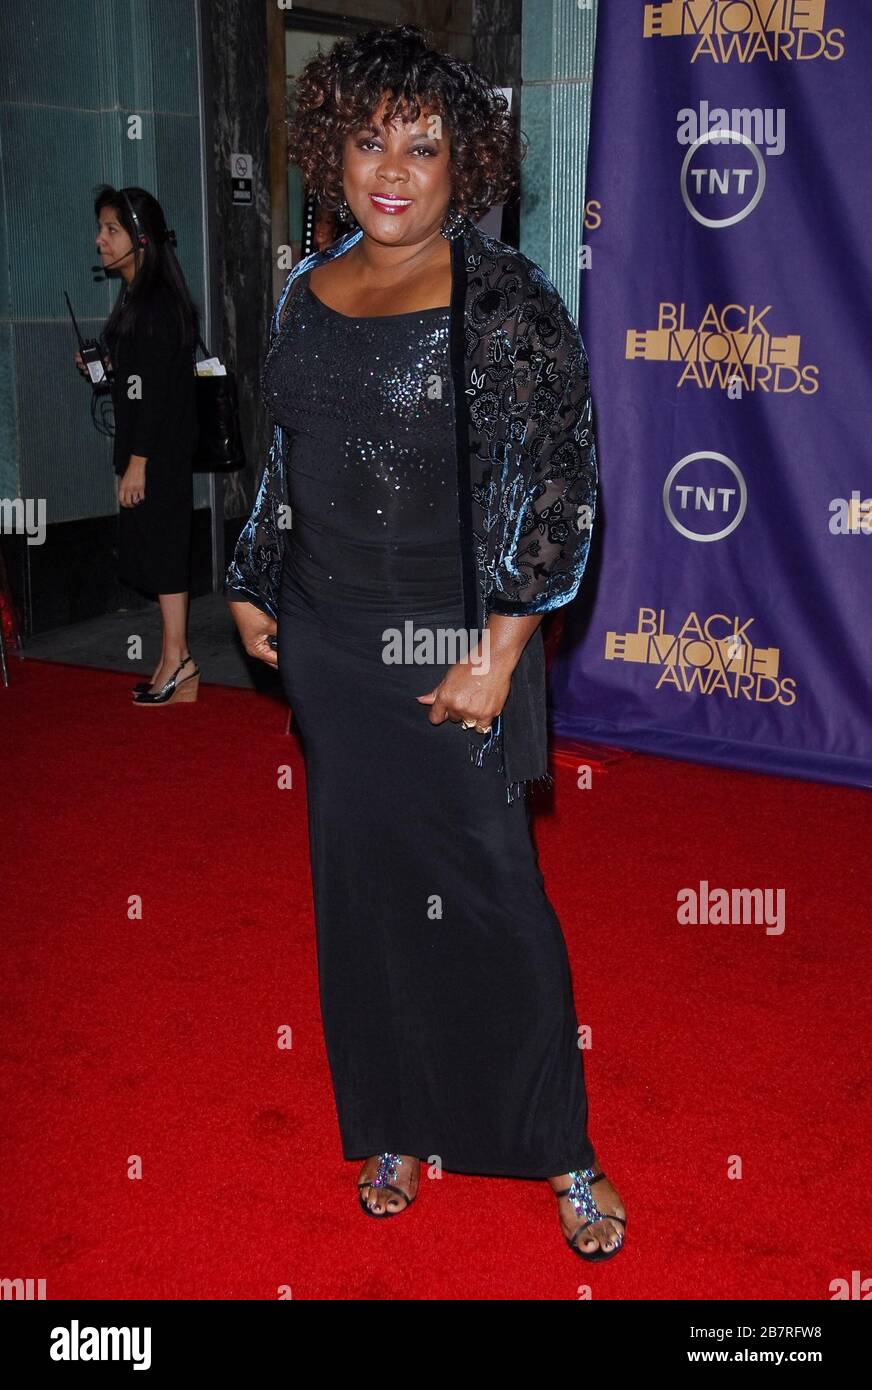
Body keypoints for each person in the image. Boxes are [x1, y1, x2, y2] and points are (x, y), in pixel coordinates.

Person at [225, 24, 626, 1262]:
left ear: (469, 164)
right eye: (366, 140)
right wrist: (251, 581)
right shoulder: (307, 288)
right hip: (330, 645)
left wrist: (500, 653)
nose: (390, 169)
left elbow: (556, 486)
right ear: (329, 153)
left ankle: (560, 1145)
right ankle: (397, 1120)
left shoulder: (502, 298)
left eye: (424, 145)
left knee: (495, 896)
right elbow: (284, 457)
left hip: (449, 641)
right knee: (365, 896)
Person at [78, 185, 200, 704]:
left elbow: (153, 395)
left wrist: (138, 464)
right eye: (101, 230)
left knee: (165, 552)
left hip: (158, 452)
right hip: (152, 449)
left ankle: (179, 661)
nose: (100, 242)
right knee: (157, 549)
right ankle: (174, 661)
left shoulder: (154, 305)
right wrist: (102, 371)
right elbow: (138, 381)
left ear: (141, 239)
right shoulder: (140, 298)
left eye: (111, 231)